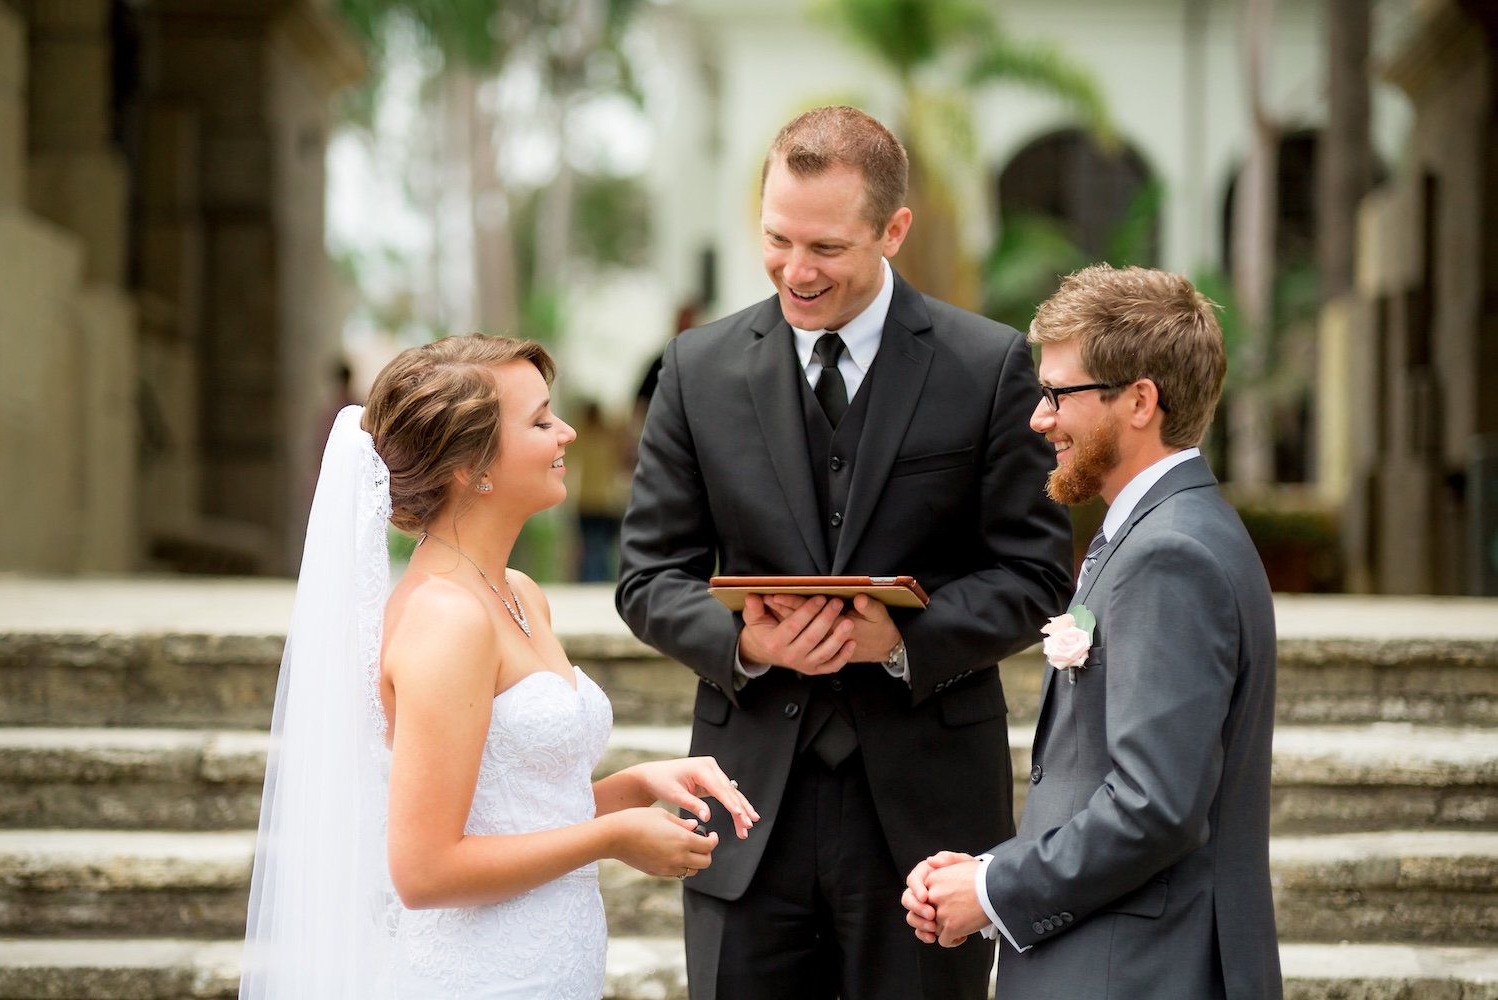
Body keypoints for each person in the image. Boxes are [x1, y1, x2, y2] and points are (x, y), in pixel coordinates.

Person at [615, 106, 1073, 1000]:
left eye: (826, 247)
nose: (796, 270)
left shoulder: (987, 366)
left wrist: (901, 640)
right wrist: (746, 643)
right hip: (746, 806)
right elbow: (648, 577)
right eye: (776, 240)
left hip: (926, 820)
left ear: (893, 230)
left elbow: (1036, 574)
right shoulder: (697, 370)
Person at [240, 333, 758, 999]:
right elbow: (426, 872)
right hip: (480, 976)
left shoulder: (519, 593)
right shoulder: (447, 619)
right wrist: (609, 838)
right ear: (470, 467)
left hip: (553, 966)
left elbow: (515, 817)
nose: (568, 432)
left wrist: (634, 785)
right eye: (540, 422)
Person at [902, 264, 1282, 999]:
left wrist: (992, 890)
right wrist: (985, 874)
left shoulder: (1169, 553)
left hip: (1138, 974)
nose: (1038, 419)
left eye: (1058, 395)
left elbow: (1153, 807)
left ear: (1139, 400)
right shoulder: (1162, 530)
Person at [571, 400, 629, 582]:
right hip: (602, 500)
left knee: (593, 545)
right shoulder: (608, 439)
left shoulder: (585, 438)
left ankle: (593, 579)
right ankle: (597, 579)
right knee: (600, 546)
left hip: (591, 500)